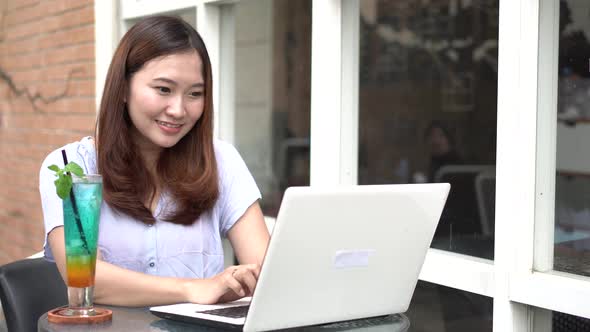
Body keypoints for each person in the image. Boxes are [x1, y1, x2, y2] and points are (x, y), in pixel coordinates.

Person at [38, 16, 270, 307]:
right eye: (163, 89)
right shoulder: (70, 167)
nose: (178, 109)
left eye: (195, 94)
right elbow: (85, 277)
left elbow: (267, 272)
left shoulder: (221, 161)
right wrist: (193, 289)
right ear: (123, 88)